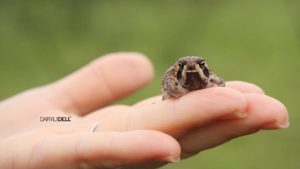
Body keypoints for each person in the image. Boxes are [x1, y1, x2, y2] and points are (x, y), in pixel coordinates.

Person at [0, 52, 289, 169]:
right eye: (184, 67)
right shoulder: (173, 78)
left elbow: (218, 81)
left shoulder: (210, 78)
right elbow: (168, 83)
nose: (190, 70)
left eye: (198, 66)